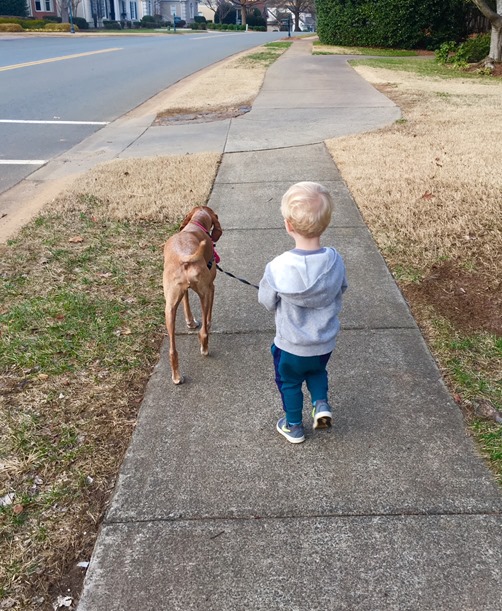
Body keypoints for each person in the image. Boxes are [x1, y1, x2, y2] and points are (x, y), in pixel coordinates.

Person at [258, 182, 348, 444]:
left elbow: (266, 300)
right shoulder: (334, 260)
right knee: (317, 372)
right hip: (323, 343)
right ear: (326, 223)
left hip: (291, 345)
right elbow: (342, 287)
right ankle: (321, 404)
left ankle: (293, 426)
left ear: (288, 225)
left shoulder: (278, 267)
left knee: (290, 382)